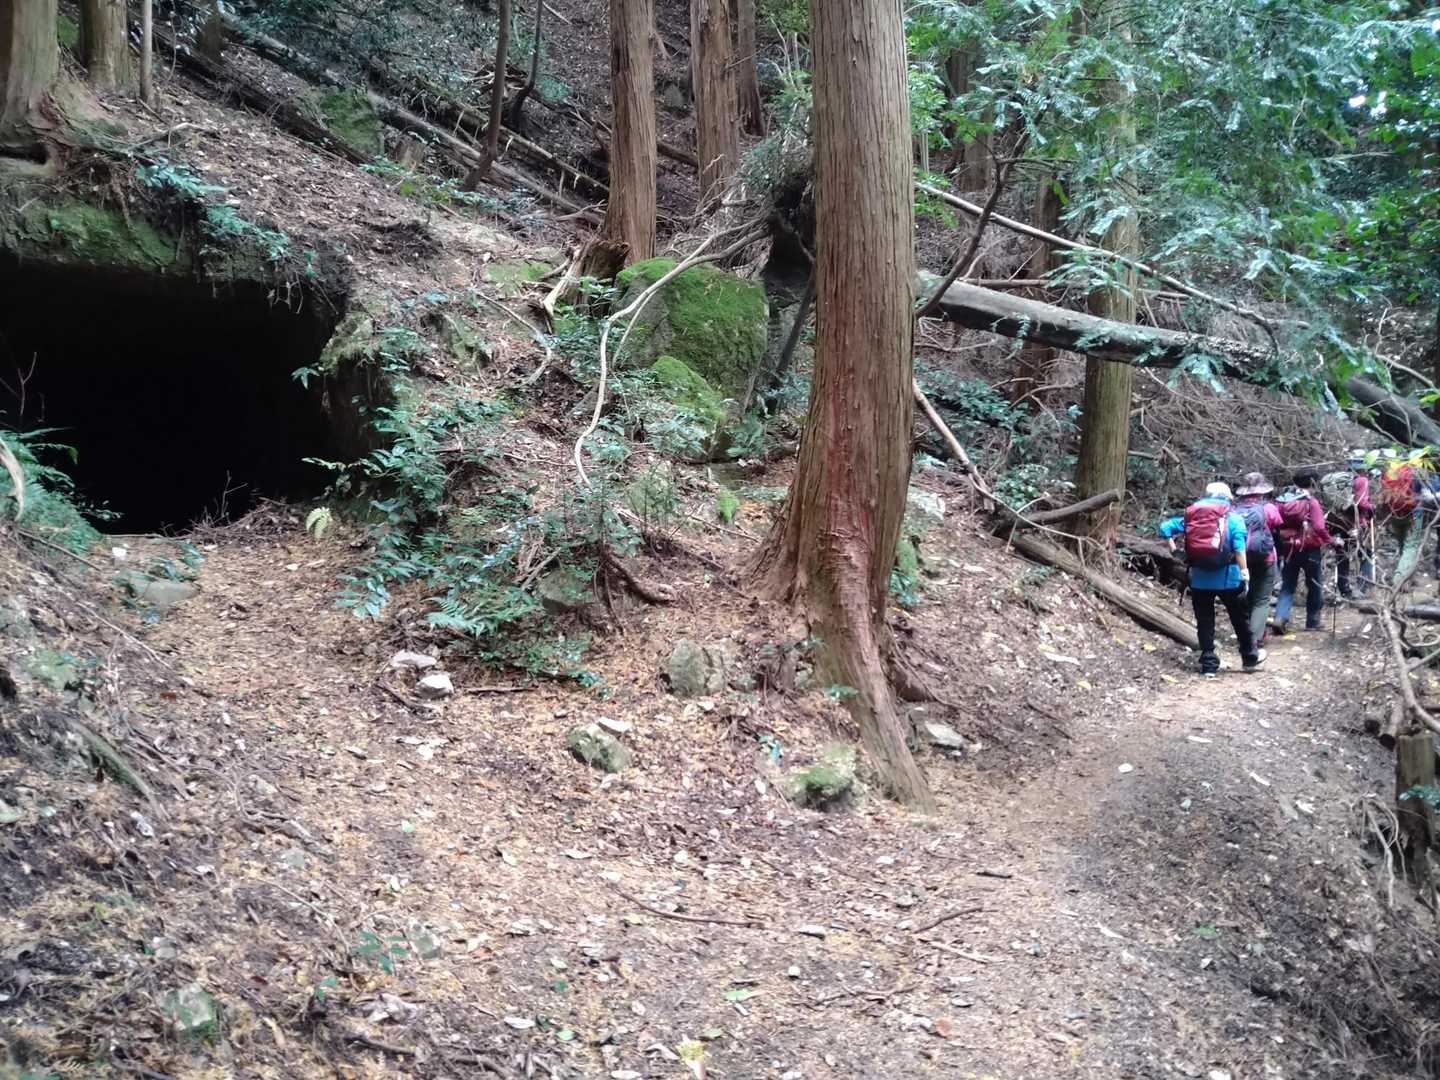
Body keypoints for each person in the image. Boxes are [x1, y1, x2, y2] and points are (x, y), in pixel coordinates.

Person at [1159, 482, 1265, 677]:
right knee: (1239, 619)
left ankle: (1208, 664)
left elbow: (1165, 527)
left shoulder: (1193, 516)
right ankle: (1249, 657)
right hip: (1229, 578)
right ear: (1227, 498)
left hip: (1200, 579)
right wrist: (1245, 573)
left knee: (1205, 621)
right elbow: (1239, 549)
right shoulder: (1233, 518)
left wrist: (1175, 551)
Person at [1273, 471, 1342, 634]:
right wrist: (1332, 540)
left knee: (1288, 585)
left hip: (1288, 547)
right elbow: (1319, 527)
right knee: (1315, 584)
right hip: (1310, 548)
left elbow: (1275, 524)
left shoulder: (1281, 501)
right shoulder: (1311, 502)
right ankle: (1313, 621)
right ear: (1312, 483)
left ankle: (1280, 617)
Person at [1233, 472, 1284, 647]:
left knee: (1245, 594)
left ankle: (1245, 633)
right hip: (1265, 557)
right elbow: (1277, 525)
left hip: (1239, 558)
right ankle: (1254, 640)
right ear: (1262, 490)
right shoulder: (1268, 508)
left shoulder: (1234, 509)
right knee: (1261, 600)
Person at [1328, 455, 1375, 598]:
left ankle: (1344, 589)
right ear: (1362, 469)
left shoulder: (1341, 480)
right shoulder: (1362, 480)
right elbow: (1362, 503)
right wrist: (1372, 507)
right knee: (1366, 554)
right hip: (1355, 523)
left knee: (1342, 555)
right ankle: (1362, 588)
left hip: (1337, 522)